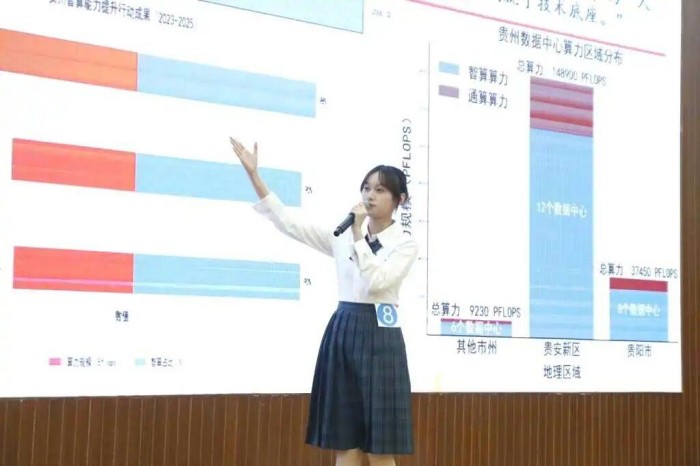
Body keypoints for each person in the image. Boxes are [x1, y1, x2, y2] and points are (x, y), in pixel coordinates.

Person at [230, 138, 418, 466]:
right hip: (344, 331)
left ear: (399, 199)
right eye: (366, 188)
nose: (370, 196)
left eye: (380, 190)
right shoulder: (342, 236)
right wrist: (254, 175)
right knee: (345, 443)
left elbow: (377, 282)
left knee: (380, 448)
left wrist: (358, 237)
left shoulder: (404, 244)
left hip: (382, 337)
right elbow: (289, 223)